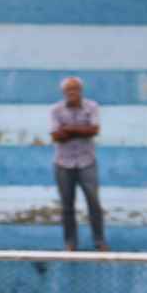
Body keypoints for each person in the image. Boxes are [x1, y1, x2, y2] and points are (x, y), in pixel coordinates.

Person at [51, 76, 108, 252]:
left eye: (75, 89)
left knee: (94, 203)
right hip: (63, 164)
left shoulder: (92, 107)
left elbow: (94, 130)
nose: (72, 92)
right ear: (64, 92)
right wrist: (81, 130)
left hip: (87, 162)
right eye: (69, 89)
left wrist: (68, 129)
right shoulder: (55, 110)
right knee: (67, 205)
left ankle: (99, 241)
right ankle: (70, 243)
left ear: (81, 90)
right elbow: (55, 136)